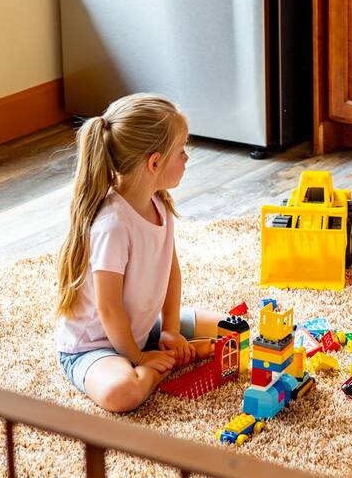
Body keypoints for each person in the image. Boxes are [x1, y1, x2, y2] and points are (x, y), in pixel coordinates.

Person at [54, 93, 226, 412]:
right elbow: (108, 308)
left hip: (142, 328)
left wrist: (170, 329)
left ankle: (167, 350)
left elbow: (171, 271)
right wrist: (139, 357)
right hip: (95, 346)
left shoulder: (160, 205)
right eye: (181, 150)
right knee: (122, 394)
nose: (187, 158)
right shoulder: (113, 226)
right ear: (154, 162)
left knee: (232, 328)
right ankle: (159, 368)